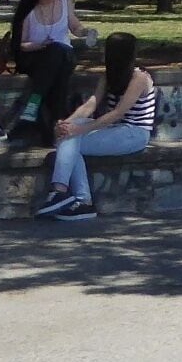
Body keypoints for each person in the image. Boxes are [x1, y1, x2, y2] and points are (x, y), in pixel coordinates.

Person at [35, 32, 157, 223]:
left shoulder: (139, 78)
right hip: (113, 129)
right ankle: (81, 201)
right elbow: (90, 105)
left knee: (70, 140)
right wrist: (67, 123)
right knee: (68, 135)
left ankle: (62, 193)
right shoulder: (108, 77)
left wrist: (78, 130)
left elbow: (118, 113)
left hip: (135, 133)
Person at [4, 0, 88, 147]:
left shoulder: (65, 2)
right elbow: (20, 45)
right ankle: (55, 127)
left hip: (63, 55)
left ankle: (30, 111)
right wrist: (39, 45)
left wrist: (85, 32)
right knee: (57, 69)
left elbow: (74, 25)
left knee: (59, 52)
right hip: (35, 56)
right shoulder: (28, 11)